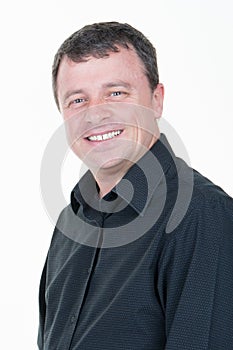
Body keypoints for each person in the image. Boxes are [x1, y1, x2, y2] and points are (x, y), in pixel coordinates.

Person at [38, 22, 233, 349]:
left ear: (156, 101)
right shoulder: (69, 223)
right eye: (77, 100)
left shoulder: (202, 216)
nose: (96, 114)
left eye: (116, 92)